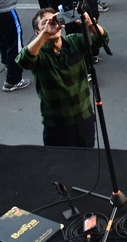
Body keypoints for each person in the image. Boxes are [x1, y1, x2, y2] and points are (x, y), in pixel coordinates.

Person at [17, 8, 107, 147]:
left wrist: (90, 24)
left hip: (84, 119)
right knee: (60, 160)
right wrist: (46, 34)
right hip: (56, 126)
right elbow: (23, 60)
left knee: (87, 158)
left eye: (53, 21)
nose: (51, 25)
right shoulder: (39, 53)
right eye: (45, 23)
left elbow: (102, 39)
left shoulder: (74, 41)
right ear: (37, 32)